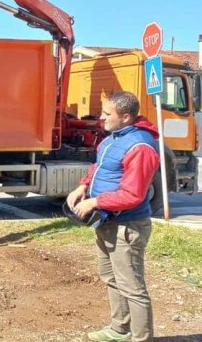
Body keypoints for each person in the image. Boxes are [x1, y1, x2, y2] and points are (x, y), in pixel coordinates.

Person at [66, 91, 159, 342]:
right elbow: (100, 168)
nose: (101, 118)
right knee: (110, 277)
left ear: (126, 117)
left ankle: (141, 338)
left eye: (107, 114)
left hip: (127, 227)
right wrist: (83, 187)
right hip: (107, 221)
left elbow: (133, 195)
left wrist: (96, 201)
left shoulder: (140, 146)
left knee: (133, 288)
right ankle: (120, 330)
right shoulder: (112, 139)